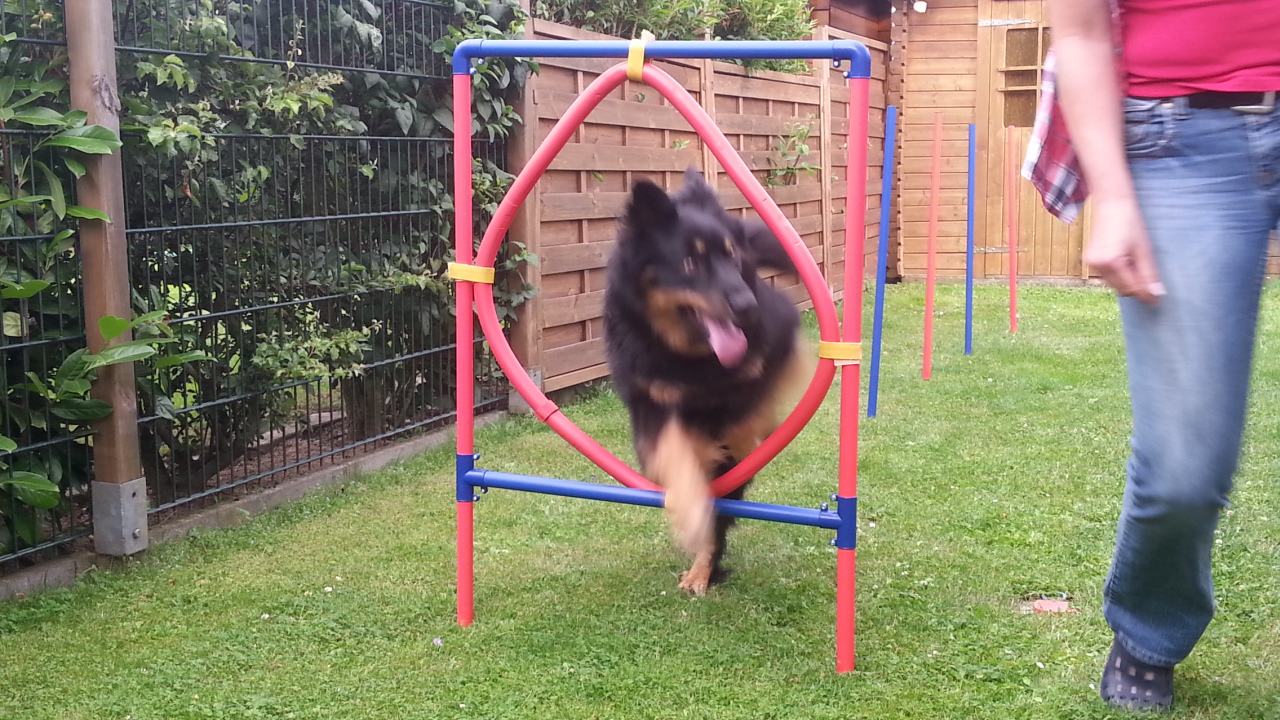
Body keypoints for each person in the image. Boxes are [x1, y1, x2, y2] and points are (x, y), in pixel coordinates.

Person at [1035, 0, 1280, 712]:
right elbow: (1079, 30)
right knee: (1183, 469)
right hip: (1185, 138)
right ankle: (1149, 631)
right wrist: (1113, 196)